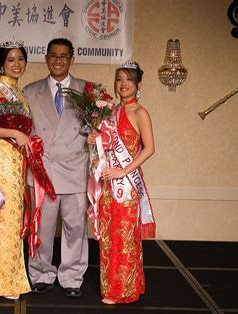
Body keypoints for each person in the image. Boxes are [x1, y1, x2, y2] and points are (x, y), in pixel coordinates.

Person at [23, 38, 88, 298]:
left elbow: (102, 127)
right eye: (53, 55)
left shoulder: (88, 91)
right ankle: (40, 272)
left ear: (72, 59)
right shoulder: (29, 90)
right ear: (46, 58)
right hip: (43, 170)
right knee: (42, 228)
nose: (58, 60)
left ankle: (72, 275)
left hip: (76, 168)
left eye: (64, 56)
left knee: (75, 228)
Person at [88, 61, 156, 304]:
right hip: (108, 185)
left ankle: (123, 289)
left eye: (128, 79)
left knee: (124, 237)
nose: (123, 84)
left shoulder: (140, 113)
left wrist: (123, 170)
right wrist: (94, 139)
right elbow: (104, 148)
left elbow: (149, 148)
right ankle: (111, 286)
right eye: (119, 79)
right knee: (108, 237)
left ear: (137, 84)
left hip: (127, 185)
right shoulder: (110, 112)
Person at [0, 39, 31, 300]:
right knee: (5, 217)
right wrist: (14, 132)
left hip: (17, 159)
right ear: (1, 63)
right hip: (2, 157)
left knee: (14, 216)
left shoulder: (19, 92)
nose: (17, 64)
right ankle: (4, 278)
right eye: (11, 59)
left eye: (21, 59)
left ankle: (11, 274)